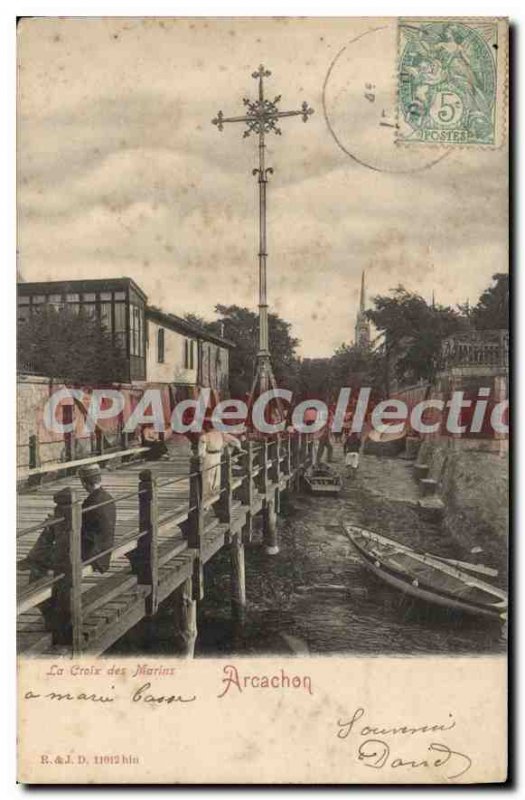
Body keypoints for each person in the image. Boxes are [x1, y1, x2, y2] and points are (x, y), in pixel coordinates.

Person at [24, 463, 116, 581]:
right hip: (103, 547)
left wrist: (55, 523)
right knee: (53, 527)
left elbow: (77, 528)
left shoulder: (92, 502)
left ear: (84, 483)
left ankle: (37, 589)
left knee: (42, 557)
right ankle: (34, 556)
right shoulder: (106, 497)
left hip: (93, 552)